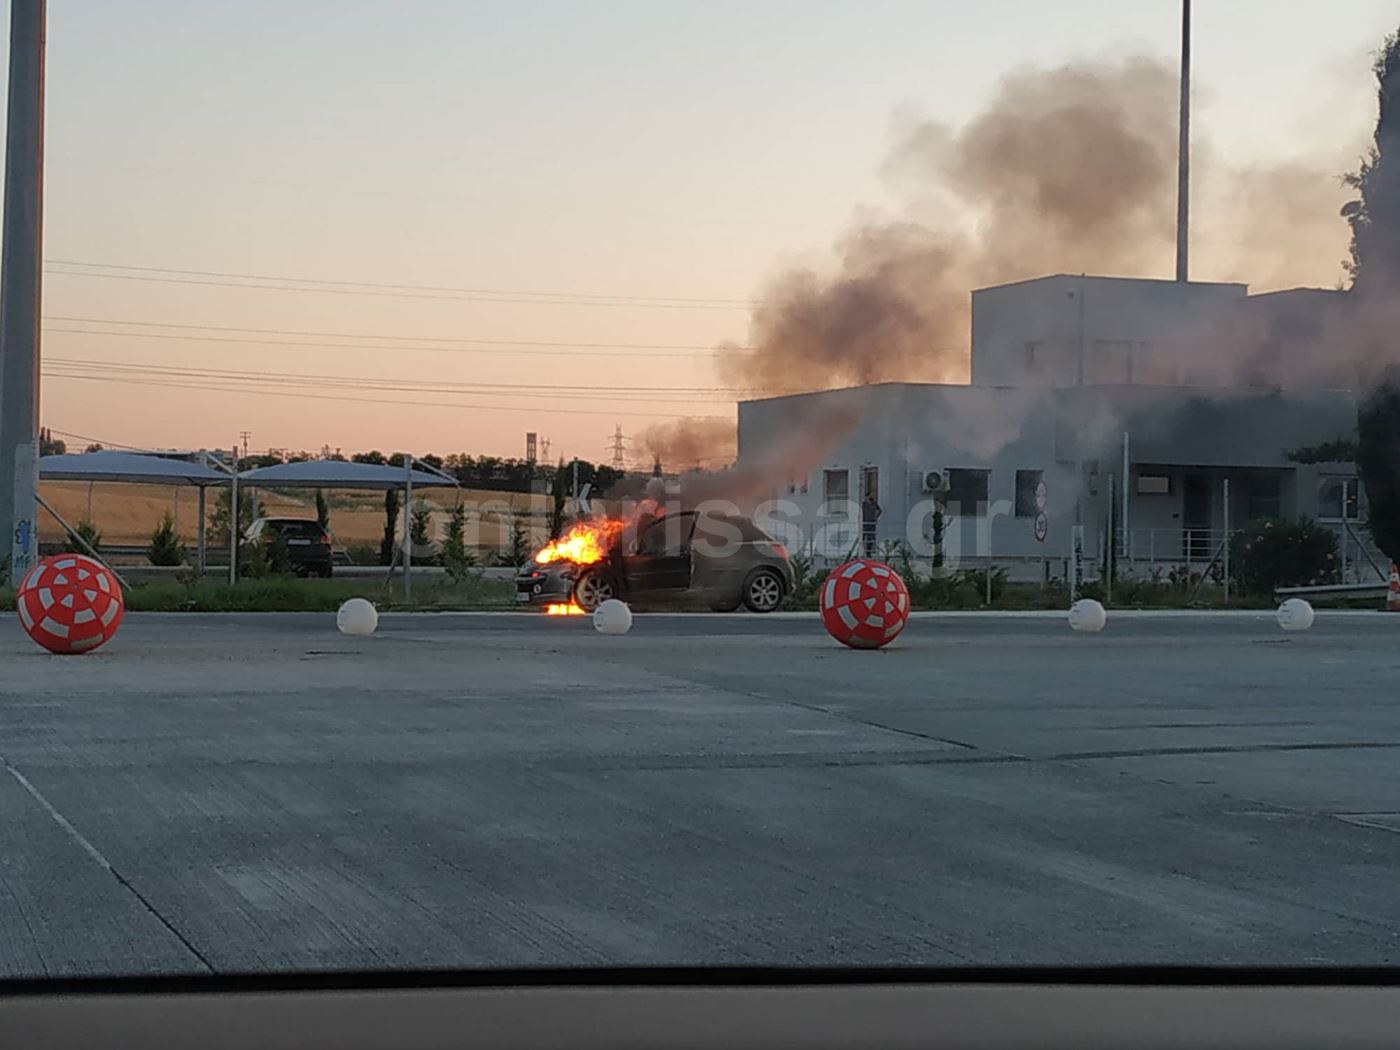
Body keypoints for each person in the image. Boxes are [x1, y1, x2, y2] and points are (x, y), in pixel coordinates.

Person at [861, 492, 882, 557]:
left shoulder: (874, 504)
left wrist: (875, 517)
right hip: (864, 523)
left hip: (872, 523)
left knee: (871, 538)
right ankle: (862, 551)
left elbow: (880, 510)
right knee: (863, 538)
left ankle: (868, 553)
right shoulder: (864, 504)